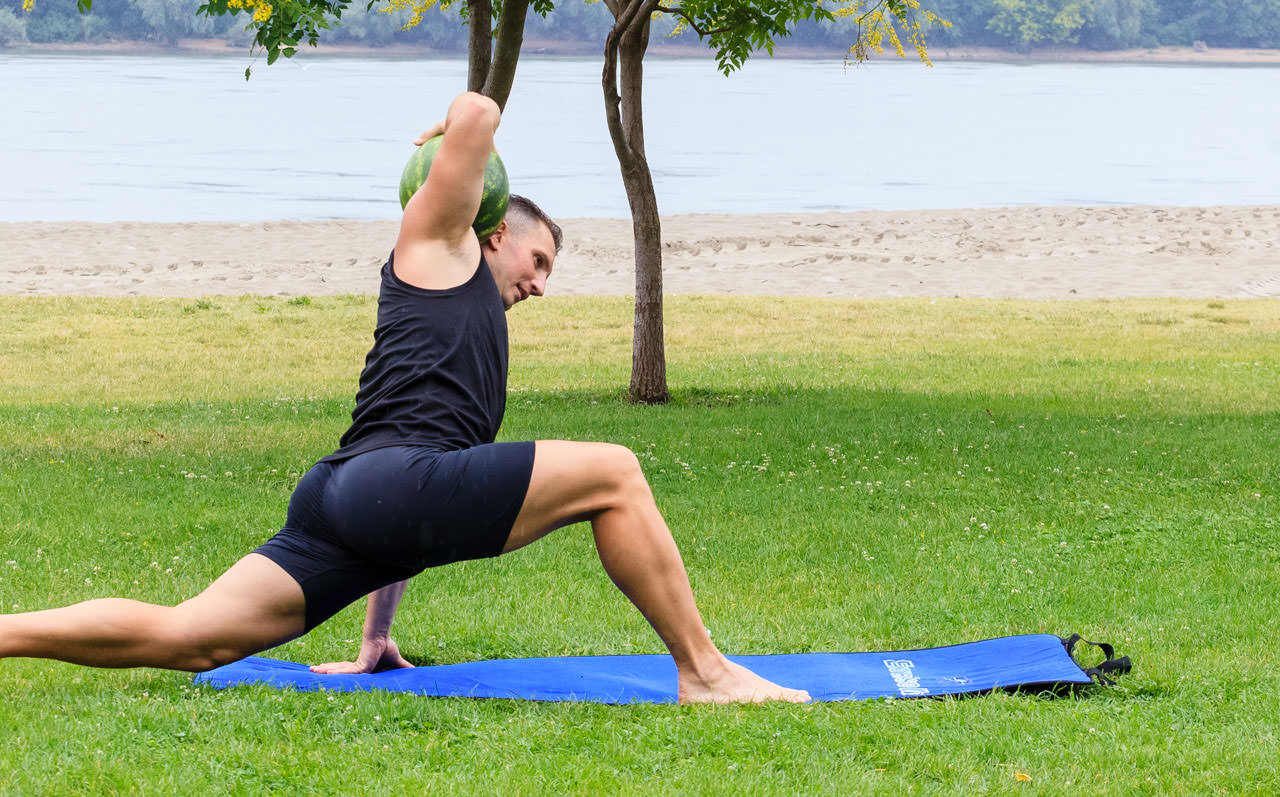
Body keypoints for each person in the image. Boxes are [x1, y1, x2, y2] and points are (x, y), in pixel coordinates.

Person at [0, 92, 809, 705]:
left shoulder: (468, 313)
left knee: (191, 637)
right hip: (382, 482)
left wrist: (377, 632)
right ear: (494, 227)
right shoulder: (437, 245)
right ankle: (704, 670)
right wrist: (454, 131)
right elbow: (481, 110)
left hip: (352, 494)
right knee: (616, 471)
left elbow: (423, 492)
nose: (539, 282)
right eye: (538, 260)